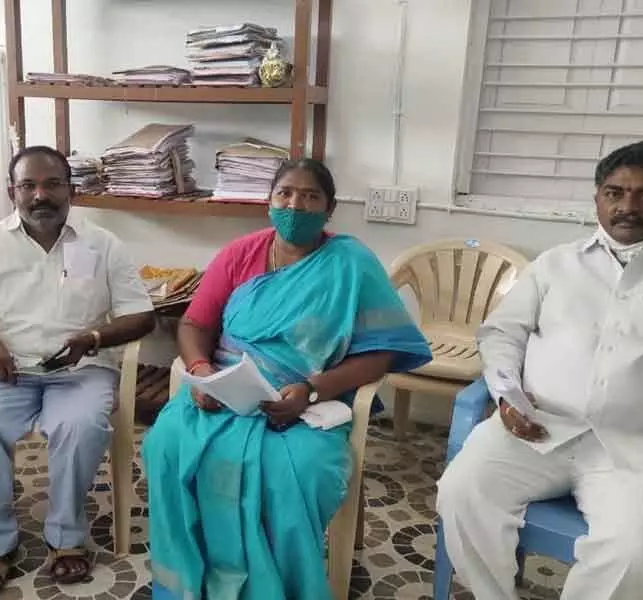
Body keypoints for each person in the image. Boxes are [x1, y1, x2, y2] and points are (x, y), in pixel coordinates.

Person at [141, 158, 433, 600]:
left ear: (330, 209)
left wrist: (312, 390)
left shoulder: (352, 264)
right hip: (222, 392)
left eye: (310, 196)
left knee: (294, 471)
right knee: (166, 444)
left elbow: (381, 353)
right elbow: (193, 325)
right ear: (269, 201)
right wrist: (202, 375)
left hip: (304, 404)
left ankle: (278, 588)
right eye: (285, 194)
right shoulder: (239, 254)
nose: (296, 204)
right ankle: (192, 581)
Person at [437, 140, 643, 600]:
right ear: (597, 198)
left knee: (632, 554)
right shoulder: (556, 265)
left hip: (640, 449)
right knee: (460, 495)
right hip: (536, 431)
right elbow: (502, 333)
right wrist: (506, 395)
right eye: (614, 192)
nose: (628, 206)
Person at [0, 145, 156, 594]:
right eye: (28, 185)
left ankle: (67, 538)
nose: (41, 195)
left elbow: (142, 315)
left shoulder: (103, 243)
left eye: (52, 184)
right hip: (8, 369)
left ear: (71, 190)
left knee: (80, 425)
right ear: (12, 192)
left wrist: (93, 339)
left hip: (83, 369)